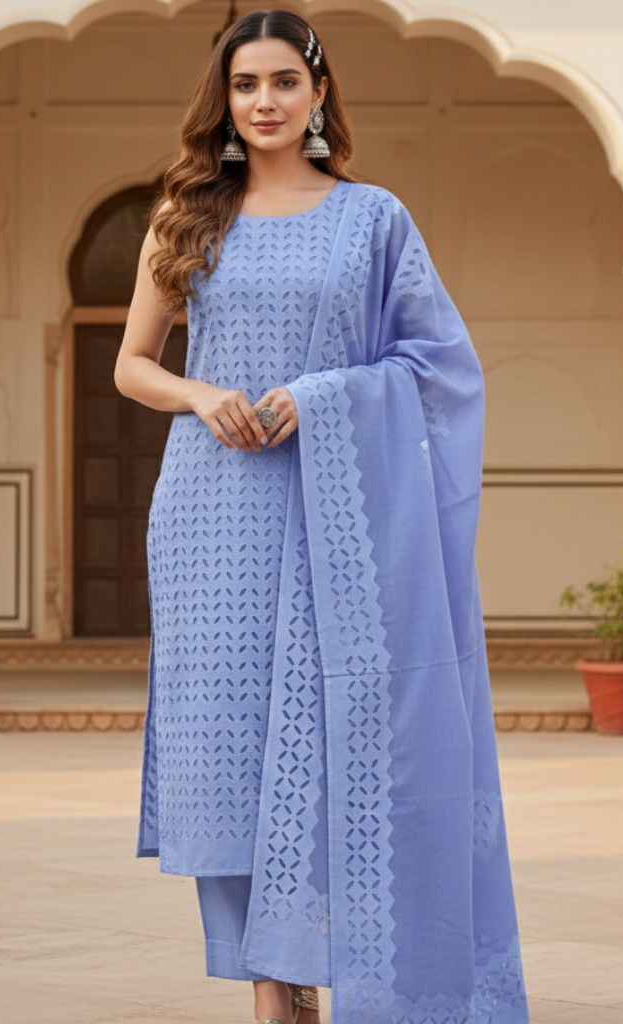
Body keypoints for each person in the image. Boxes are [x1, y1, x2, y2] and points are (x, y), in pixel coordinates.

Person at [114, 9, 530, 1024]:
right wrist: (202, 394)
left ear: (318, 93)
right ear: (223, 101)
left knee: (343, 741)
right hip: (214, 519)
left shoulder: (373, 217)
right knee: (233, 755)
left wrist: (325, 396)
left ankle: (322, 972)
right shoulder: (185, 220)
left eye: (282, 83)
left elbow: (439, 367)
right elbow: (130, 364)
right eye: (244, 85)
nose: (262, 102)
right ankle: (276, 986)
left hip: (342, 516)